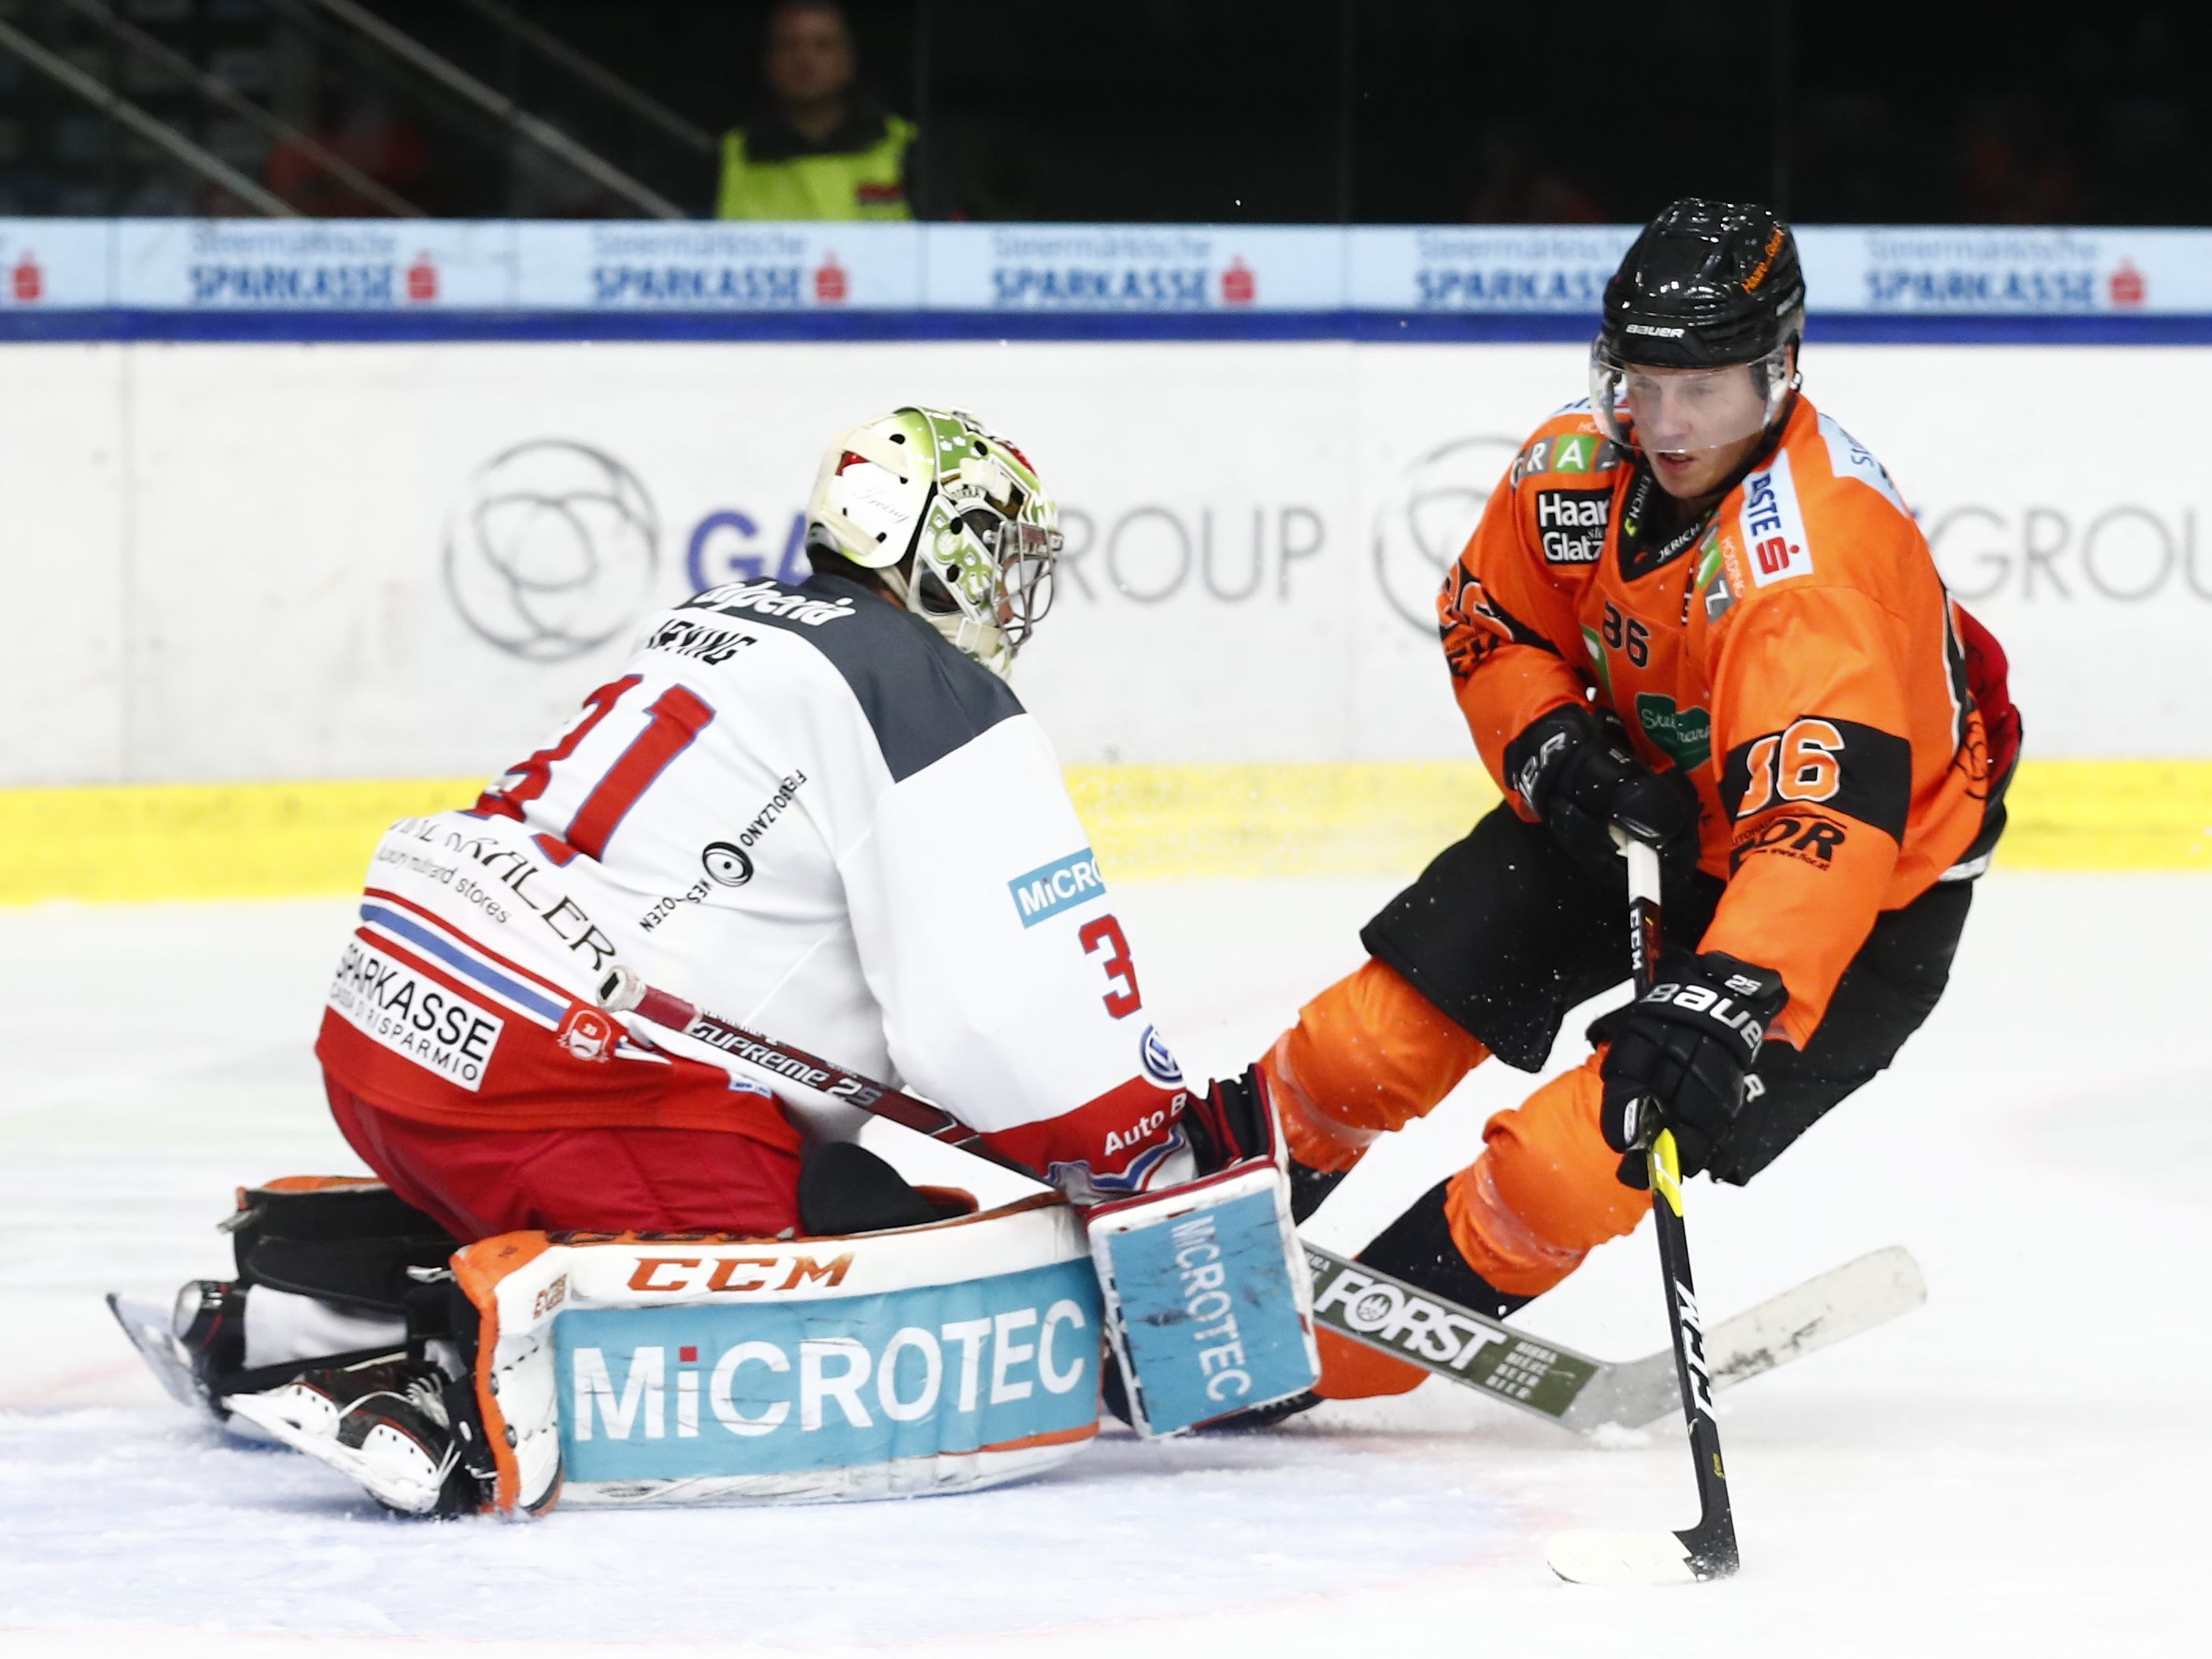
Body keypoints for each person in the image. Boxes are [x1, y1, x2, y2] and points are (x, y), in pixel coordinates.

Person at [139, 407, 1275, 1508]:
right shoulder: (924, 687)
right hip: (551, 1075)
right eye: (1002, 555)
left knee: (844, 1189)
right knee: (863, 1267)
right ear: (942, 550)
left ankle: (297, 1301)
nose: (1013, 594)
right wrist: (1143, 1147)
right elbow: (998, 1007)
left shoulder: (725, 618)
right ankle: (436, 1380)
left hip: (396, 1027)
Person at [1252, 199, 2021, 1408]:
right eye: (1639, 381)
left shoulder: (1815, 574)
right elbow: (1492, 618)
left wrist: (1729, 996)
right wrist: (1555, 750)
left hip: (1849, 912)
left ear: (1781, 370)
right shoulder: (1573, 462)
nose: (1662, 425)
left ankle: (1326, 1358)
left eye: (1702, 390)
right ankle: (1191, 1229)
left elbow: (1821, 836)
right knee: (1360, 1047)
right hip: (1636, 811)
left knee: (1572, 1164)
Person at [716, 0, 916, 221]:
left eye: (823, 45)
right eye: (789, 45)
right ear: (769, 63)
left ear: (849, 61)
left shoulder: (905, 148)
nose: (805, 59)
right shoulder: (729, 155)